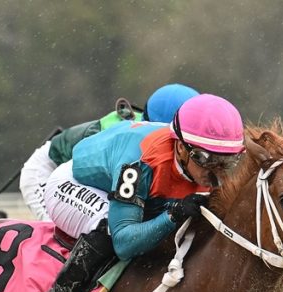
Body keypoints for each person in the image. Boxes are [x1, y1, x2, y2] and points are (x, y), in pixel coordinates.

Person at [28, 93, 246, 292]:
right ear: (180, 147)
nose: (216, 174)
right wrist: (172, 215)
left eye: (227, 162)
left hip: (123, 179)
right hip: (74, 183)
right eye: (206, 160)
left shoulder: (195, 162)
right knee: (109, 226)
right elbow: (124, 242)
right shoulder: (140, 162)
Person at [19, 83, 200, 220]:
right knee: (91, 226)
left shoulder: (149, 129)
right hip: (45, 172)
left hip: (75, 170)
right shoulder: (122, 138)